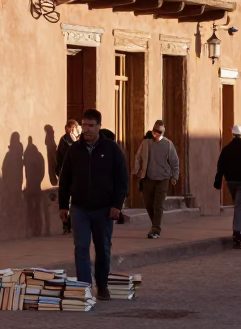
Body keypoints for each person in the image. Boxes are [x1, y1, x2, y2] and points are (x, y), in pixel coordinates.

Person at [58, 109, 129, 301]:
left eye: (91, 125)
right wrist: (63, 206)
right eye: (84, 125)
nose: (86, 129)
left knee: (103, 248)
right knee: (81, 247)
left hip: (104, 209)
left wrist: (117, 205)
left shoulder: (112, 150)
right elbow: (64, 180)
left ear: (99, 126)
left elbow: (122, 180)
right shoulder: (74, 150)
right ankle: (85, 287)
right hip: (80, 208)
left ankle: (102, 285)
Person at [133, 120, 180, 240]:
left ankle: (155, 229)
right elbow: (138, 158)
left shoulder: (168, 144)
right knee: (149, 204)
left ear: (163, 132)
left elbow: (175, 162)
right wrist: (135, 172)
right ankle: (155, 224)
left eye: (159, 132)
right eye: (155, 131)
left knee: (158, 204)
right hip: (147, 178)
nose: (156, 134)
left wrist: (174, 177)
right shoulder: (146, 143)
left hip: (163, 178)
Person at [56, 120, 80, 234]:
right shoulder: (65, 141)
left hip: (77, 175)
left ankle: (73, 224)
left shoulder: (79, 140)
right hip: (68, 174)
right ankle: (67, 224)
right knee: (67, 201)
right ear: (72, 129)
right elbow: (59, 158)